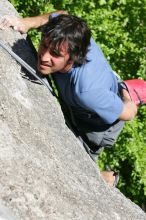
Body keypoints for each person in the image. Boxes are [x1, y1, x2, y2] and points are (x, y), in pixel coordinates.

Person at [0, 11, 138, 186]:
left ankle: (108, 178)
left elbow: (129, 113)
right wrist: (27, 22)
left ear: (74, 58)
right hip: (88, 95)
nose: (43, 57)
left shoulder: (87, 92)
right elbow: (58, 15)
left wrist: (126, 92)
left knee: (82, 162)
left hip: (97, 123)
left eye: (55, 54)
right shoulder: (68, 34)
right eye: (44, 45)